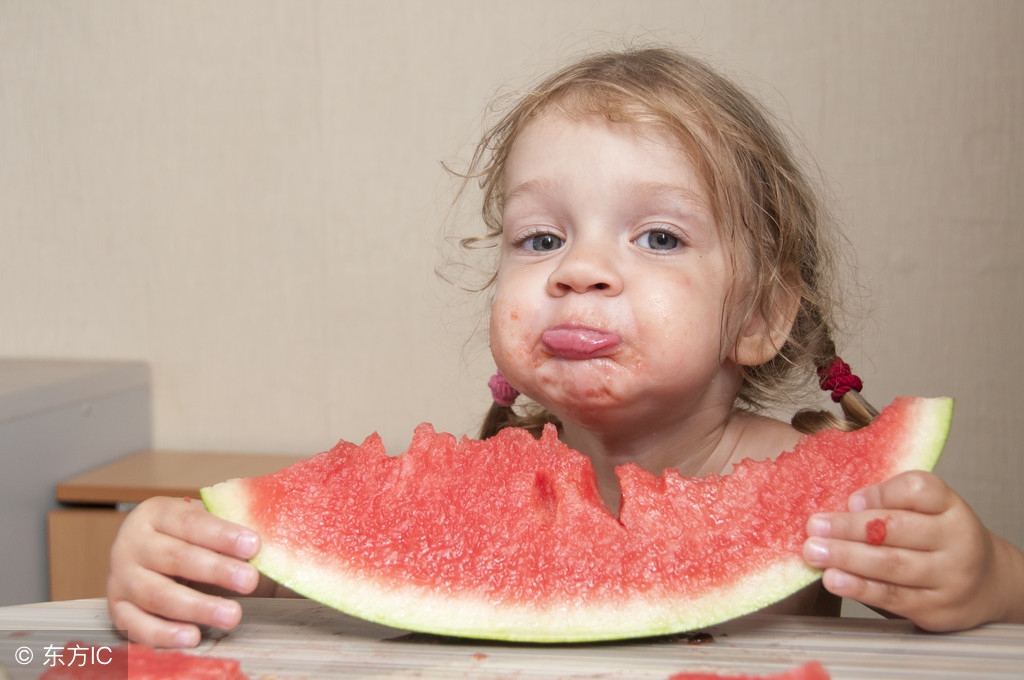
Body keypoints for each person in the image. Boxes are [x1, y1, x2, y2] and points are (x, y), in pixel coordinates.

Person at [107, 46, 1024, 648]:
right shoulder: (479, 482)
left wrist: (982, 578)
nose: (579, 271)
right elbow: (269, 575)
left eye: (658, 238)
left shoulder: (828, 486)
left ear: (762, 315)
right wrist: (169, 557)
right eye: (540, 239)